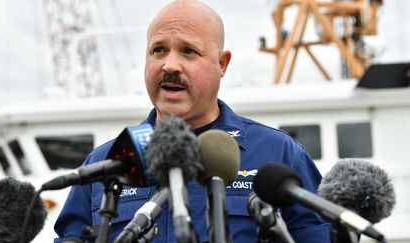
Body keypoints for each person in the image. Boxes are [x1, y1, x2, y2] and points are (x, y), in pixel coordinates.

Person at [54, 0, 331, 242]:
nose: (170, 65)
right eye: (158, 50)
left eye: (188, 51)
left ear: (222, 64)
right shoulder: (103, 164)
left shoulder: (280, 155)